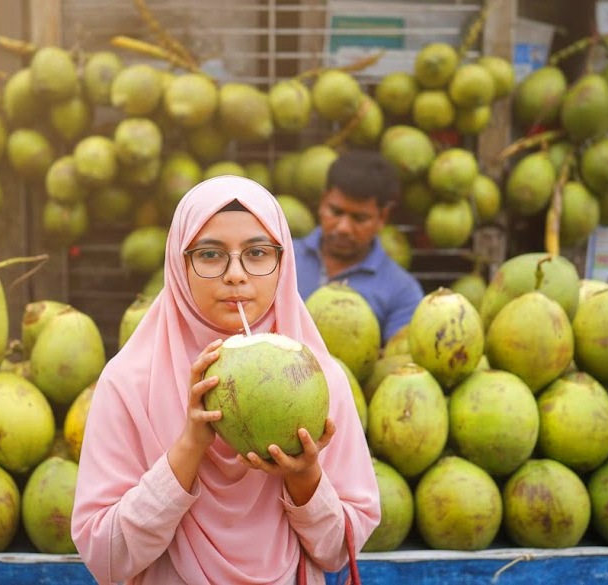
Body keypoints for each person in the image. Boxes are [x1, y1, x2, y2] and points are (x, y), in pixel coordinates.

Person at [71, 175, 380, 585]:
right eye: (211, 255)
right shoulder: (128, 384)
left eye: (256, 252)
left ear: (282, 262)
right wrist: (188, 447)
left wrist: (304, 476)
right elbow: (105, 557)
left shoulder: (319, 382)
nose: (236, 274)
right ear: (180, 266)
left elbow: (340, 551)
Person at [293, 149, 424, 344]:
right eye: (335, 211)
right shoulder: (281, 259)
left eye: (359, 218)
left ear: (382, 218)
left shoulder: (402, 291)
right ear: (322, 202)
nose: (344, 228)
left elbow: (396, 360)